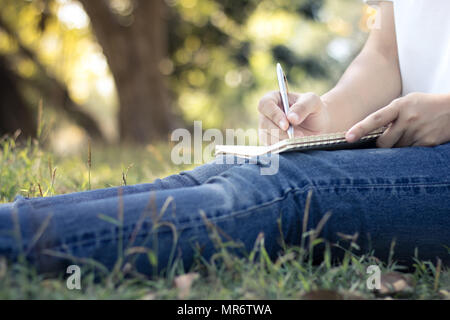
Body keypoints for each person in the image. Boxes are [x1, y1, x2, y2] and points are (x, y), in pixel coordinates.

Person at [0, 0, 449, 275]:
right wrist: (329, 112)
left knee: (280, 192)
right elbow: (386, 53)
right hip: (410, 148)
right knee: (230, 172)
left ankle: (12, 245)